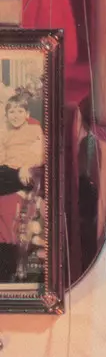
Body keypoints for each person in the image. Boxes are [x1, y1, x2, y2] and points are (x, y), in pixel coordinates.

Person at [0, 89, 46, 282]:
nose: (16, 115)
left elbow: (41, 154)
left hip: (27, 172)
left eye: (20, 111)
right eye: (11, 112)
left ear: (27, 114)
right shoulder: (5, 134)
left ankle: (11, 264)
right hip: (8, 173)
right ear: (6, 115)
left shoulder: (34, 130)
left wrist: (26, 166)